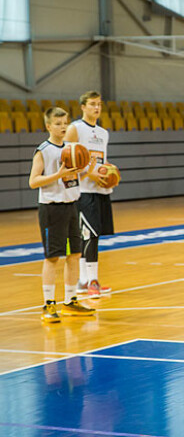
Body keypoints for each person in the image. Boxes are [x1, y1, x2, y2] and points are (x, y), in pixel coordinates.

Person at [29, 107, 95, 322]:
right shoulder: (43, 150)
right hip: (52, 209)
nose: (63, 127)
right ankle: (48, 305)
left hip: (71, 206)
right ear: (48, 126)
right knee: (52, 257)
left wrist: (87, 169)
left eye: (65, 123)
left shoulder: (72, 148)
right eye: (58, 124)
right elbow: (33, 182)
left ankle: (70, 301)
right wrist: (58, 174)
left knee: (75, 254)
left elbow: (73, 178)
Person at [65, 91, 113, 298]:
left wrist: (109, 172)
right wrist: (88, 173)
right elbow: (66, 160)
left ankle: (84, 281)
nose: (96, 108)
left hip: (100, 189)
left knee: (95, 235)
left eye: (99, 104)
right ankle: (91, 281)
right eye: (92, 104)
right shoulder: (75, 129)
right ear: (83, 106)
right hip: (83, 190)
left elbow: (101, 162)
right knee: (89, 235)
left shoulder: (103, 133)